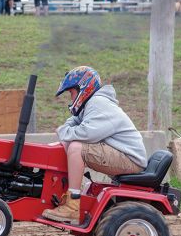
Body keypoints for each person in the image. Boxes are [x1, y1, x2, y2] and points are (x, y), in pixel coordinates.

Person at [42, 66, 147, 224]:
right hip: (120, 154)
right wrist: (64, 133)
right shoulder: (90, 104)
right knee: (67, 143)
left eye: (71, 93)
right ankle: (68, 192)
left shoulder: (99, 103)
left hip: (130, 159)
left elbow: (87, 134)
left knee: (77, 148)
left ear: (83, 87)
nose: (71, 98)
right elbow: (73, 122)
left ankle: (73, 205)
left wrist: (63, 131)